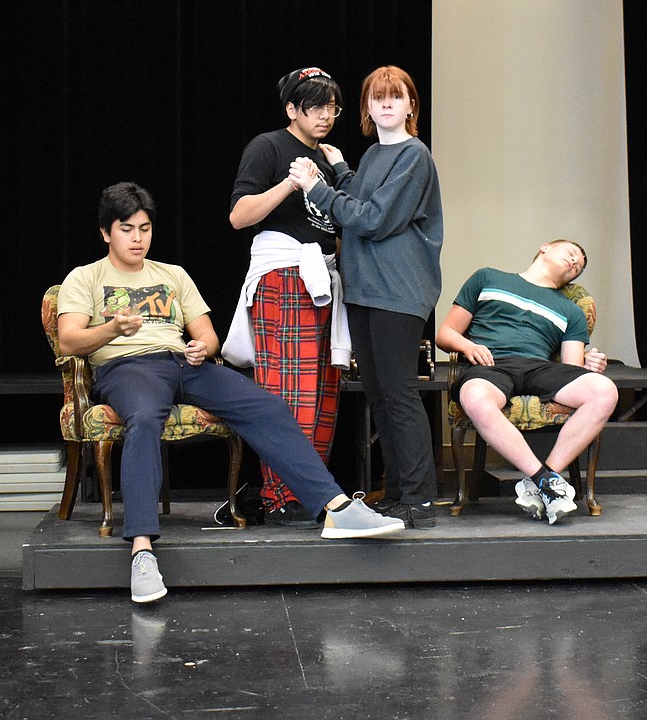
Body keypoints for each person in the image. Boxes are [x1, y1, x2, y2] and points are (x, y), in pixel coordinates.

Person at [57, 182, 405, 604]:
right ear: (105, 233)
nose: (137, 238)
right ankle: (142, 549)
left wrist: (203, 346)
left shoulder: (172, 275)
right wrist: (113, 328)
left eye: (145, 228)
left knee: (266, 405)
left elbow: (207, 334)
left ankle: (334, 508)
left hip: (183, 363)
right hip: (127, 367)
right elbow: (69, 342)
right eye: (127, 229)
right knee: (145, 419)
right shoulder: (86, 277)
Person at [287, 65, 443, 530]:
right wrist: (338, 170)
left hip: (399, 291)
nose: (387, 104)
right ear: (367, 107)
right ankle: (397, 494)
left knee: (398, 394)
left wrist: (319, 187)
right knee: (378, 395)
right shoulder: (376, 153)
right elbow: (361, 192)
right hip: (365, 290)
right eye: (378, 97)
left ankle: (419, 499)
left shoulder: (415, 155)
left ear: (411, 105)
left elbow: (374, 218)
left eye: (397, 96)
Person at [223, 66, 349, 529]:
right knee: (289, 392)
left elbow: (336, 229)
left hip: (324, 278)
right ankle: (279, 496)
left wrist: (334, 173)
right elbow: (239, 216)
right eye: (315, 106)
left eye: (332, 106)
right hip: (283, 276)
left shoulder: (332, 158)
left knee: (324, 393)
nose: (325, 115)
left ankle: (311, 495)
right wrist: (292, 183)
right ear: (292, 108)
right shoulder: (270, 146)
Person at [434, 240, 618, 525]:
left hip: (539, 367)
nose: (574, 262)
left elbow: (571, 367)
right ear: (544, 248)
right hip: (491, 363)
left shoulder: (571, 311)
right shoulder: (488, 278)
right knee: (474, 397)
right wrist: (468, 347)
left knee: (605, 390)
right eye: (570, 253)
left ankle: (541, 482)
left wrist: (589, 365)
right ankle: (546, 482)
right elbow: (445, 333)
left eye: (578, 266)